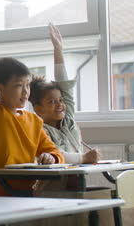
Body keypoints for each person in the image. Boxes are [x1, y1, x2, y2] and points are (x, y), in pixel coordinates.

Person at [0, 0, 64, 196]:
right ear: (0, 89)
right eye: (19, 85)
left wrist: (50, 157)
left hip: (27, 192)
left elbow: (54, 152)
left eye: (28, 85)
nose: (26, 91)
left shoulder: (34, 121)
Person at [29, 23, 100, 164]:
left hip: (76, 180)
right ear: (38, 108)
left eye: (60, 100)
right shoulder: (40, 131)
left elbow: (64, 85)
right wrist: (83, 158)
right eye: (52, 102)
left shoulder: (67, 120)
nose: (60, 105)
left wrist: (58, 49)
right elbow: (54, 154)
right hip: (54, 185)